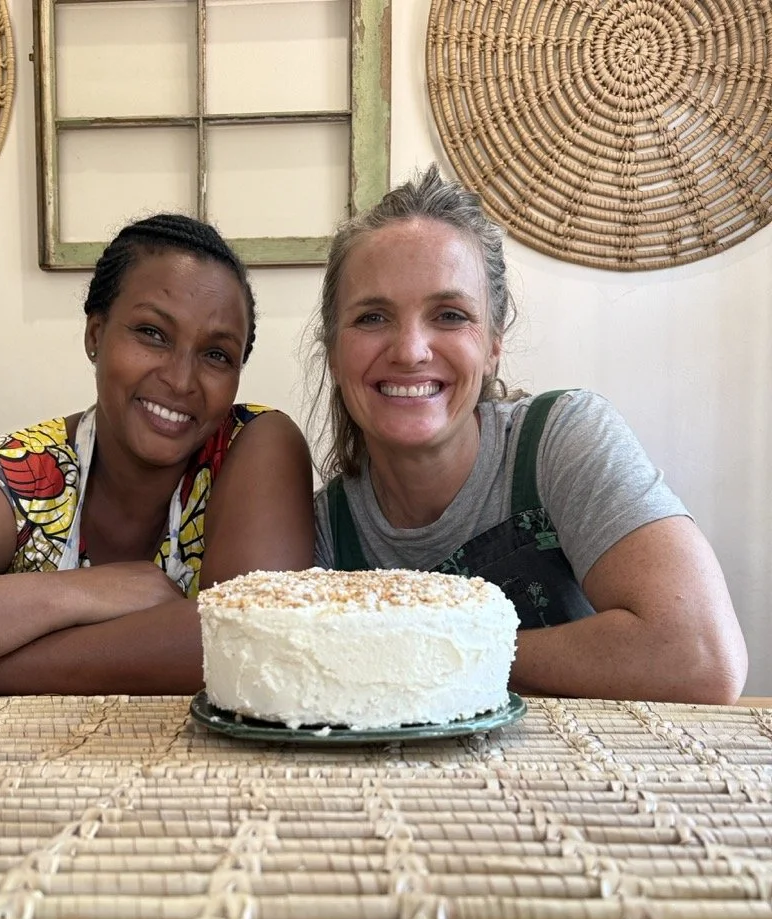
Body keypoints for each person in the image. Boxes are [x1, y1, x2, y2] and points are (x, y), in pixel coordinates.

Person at [0, 214, 314, 706]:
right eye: (152, 333)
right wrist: (69, 595)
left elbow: (253, 644)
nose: (181, 380)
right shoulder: (24, 477)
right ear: (96, 335)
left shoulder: (252, 444)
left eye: (216, 355)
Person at [310, 166, 747, 703]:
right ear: (334, 352)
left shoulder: (561, 440)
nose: (410, 351)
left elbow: (700, 658)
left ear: (493, 343)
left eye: (449, 315)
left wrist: (428, 655)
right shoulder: (323, 531)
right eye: (373, 318)